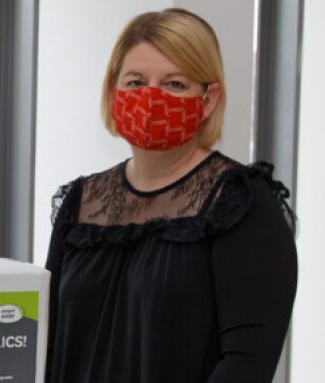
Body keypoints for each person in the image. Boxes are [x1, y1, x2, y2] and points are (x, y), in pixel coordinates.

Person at [45, 8, 297, 383]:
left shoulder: (240, 203)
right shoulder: (82, 201)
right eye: (135, 82)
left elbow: (247, 364)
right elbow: (49, 342)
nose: (150, 99)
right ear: (114, 93)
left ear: (208, 100)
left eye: (174, 84)